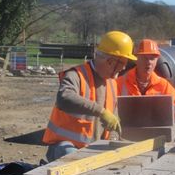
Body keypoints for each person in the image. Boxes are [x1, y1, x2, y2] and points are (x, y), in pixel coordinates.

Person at [43, 30, 136, 162]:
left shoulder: (112, 83)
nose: (124, 68)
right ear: (110, 61)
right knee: (71, 154)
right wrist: (101, 111)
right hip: (65, 148)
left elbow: (113, 122)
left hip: (93, 151)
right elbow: (64, 98)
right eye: (123, 63)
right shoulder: (76, 75)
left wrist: (114, 139)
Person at [117, 39, 175, 121]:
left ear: (156, 61)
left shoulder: (162, 85)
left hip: (156, 131)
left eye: (152, 58)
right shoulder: (120, 83)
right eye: (144, 58)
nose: (149, 62)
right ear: (136, 59)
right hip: (126, 131)